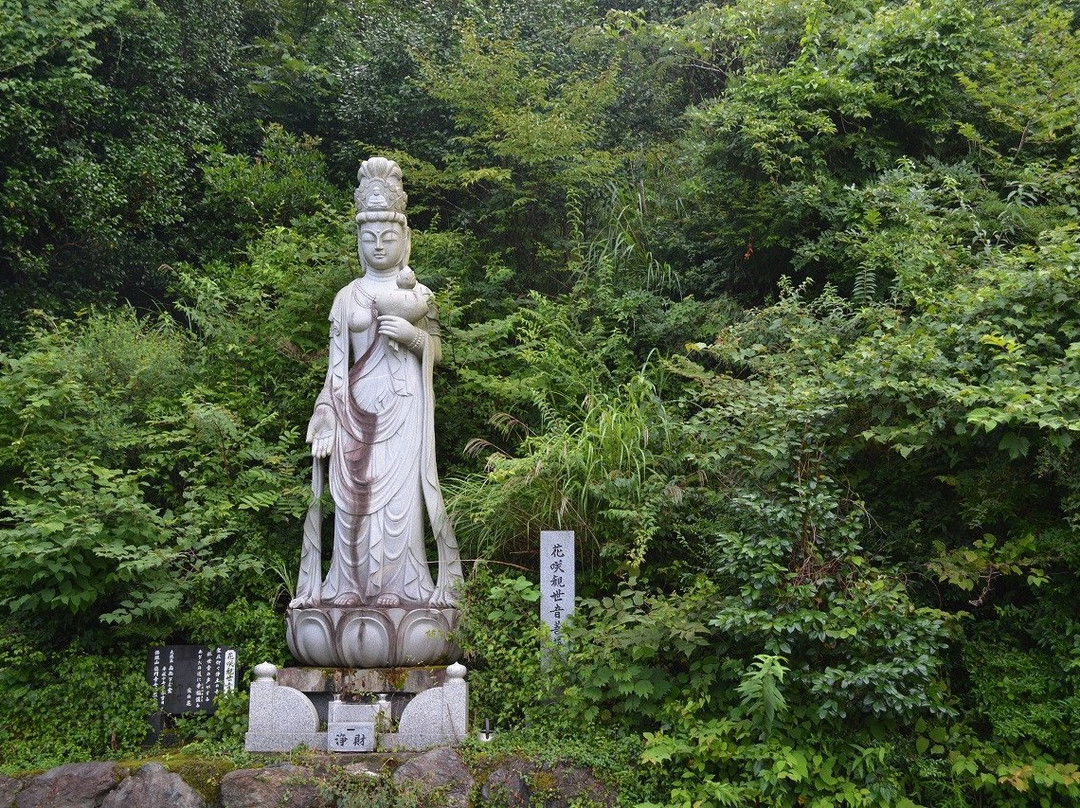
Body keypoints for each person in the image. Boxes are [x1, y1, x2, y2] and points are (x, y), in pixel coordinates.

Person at [291, 157, 462, 610]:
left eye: (389, 236)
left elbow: (436, 353)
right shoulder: (346, 297)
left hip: (404, 409)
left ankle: (400, 587)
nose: (380, 245)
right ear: (358, 241)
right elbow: (334, 369)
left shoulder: (419, 295)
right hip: (354, 409)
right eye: (370, 237)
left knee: (398, 507)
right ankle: (347, 585)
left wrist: (414, 336)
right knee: (352, 503)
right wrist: (324, 414)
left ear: (406, 239)